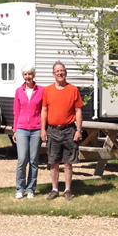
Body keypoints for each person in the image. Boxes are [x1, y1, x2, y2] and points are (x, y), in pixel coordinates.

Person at [41, 60, 83, 201]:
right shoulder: (47, 90)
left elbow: (78, 111)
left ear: (65, 72)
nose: (60, 73)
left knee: (68, 162)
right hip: (52, 130)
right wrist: (43, 130)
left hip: (69, 130)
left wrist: (79, 130)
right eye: (57, 71)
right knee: (53, 162)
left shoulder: (73, 90)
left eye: (62, 70)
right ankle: (54, 189)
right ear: (53, 74)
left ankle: (67, 190)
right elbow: (44, 111)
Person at [12, 64, 44, 199]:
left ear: (34, 75)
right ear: (23, 76)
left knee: (33, 161)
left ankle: (31, 188)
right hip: (22, 129)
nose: (27, 77)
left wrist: (43, 129)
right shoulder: (19, 91)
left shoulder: (41, 90)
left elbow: (44, 111)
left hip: (36, 129)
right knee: (22, 160)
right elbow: (16, 111)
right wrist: (15, 130)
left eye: (30, 74)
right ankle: (20, 188)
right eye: (25, 74)